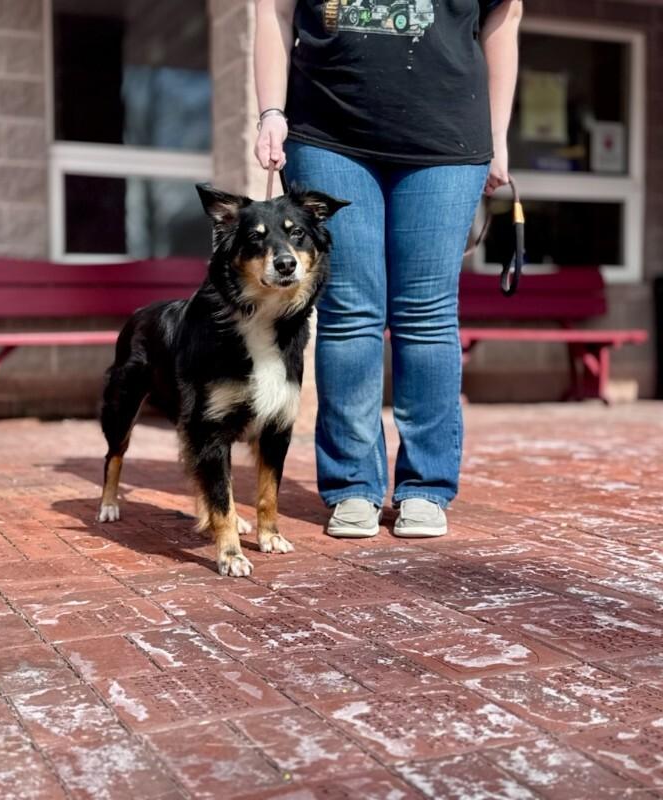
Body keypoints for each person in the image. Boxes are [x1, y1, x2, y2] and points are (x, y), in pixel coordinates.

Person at [253, 0, 523, 538]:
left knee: (425, 314)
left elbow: (502, 18)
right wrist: (271, 112)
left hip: (447, 139)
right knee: (349, 312)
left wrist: (498, 135)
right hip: (327, 132)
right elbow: (273, 12)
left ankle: (426, 486)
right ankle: (352, 484)